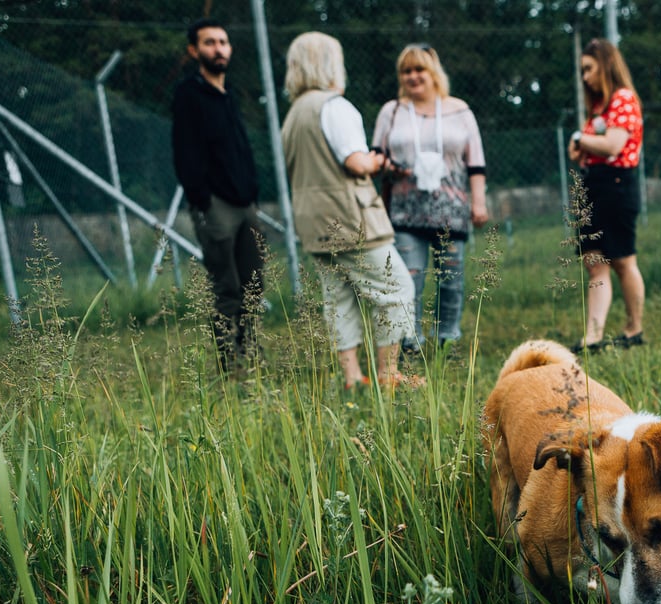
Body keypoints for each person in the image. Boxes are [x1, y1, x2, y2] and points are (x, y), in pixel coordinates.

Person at [280, 31, 421, 391]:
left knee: (338, 297)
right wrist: (376, 160)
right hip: (349, 217)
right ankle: (388, 376)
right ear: (330, 64)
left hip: (312, 221)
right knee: (396, 289)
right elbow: (355, 162)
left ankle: (350, 378)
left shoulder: (294, 114)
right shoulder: (334, 106)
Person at [371, 44, 489, 357]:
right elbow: (376, 155)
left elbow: (475, 161)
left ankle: (446, 338)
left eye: (419, 69)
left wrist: (479, 202)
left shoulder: (459, 110)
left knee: (450, 278)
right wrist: (392, 167)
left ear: (433, 72)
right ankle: (411, 341)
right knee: (410, 278)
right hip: (405, 211)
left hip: (450, 210)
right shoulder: (392, 111)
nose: (413, 77)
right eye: (406, 71)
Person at [171, 18, 267, 373]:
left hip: (246, 205)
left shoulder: (228, 95)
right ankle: (232, 367)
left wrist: (252, 194)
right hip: (216, 206)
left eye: (223, 42)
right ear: (194, 51)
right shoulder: (189, 95)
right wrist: (203, 200)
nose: (219, 48)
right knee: (227, 288)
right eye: (209, 43)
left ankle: (252, 355)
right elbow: (184, 153)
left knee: (254, 284)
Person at [567, 38, 646, 353]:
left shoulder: (623, 99)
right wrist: (583, 143)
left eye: (589, 68)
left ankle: (633, 329)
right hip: (594, 184)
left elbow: (612, 145)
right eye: (582, 70)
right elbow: (584, 149)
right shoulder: (599, 107)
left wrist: (580, 139)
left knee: (623, 260)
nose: (584, 76)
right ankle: (594, 336)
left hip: (617, 184)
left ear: (605, 64)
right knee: (595, 261)